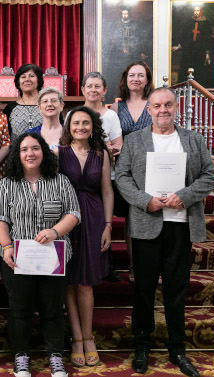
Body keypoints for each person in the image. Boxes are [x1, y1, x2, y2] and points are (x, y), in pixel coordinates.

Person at [115, 88, 214, 377]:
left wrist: (184, 196)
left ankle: (177, 349)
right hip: (147, 223)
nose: (163, 110)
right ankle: (141, 346)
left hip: (180, 225)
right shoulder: (134, 141)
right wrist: (144, 200)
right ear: (148, 110)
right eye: (157, 105)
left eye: (168, 104)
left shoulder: (193, 139)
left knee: (176, 290)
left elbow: (209, 176)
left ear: (176, 107)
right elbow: (121, 176)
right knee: (144, 289)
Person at [0, 132, 80, 377]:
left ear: (43, 151)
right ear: (17, 155)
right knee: (19, 309)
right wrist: (7, 247)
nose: (29, 154)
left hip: (54, 257)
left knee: (53, 308)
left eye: (35, 148)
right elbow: (0, 219)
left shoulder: (60, 181)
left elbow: (73, 213)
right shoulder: (7, 183)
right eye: (23, 149)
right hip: (17, 259)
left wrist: (54, 231)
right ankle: (21, 357)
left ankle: (55, 356)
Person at [57, 106, 114, 368]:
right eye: (75, 122)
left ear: (93, 127)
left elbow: (107, 191)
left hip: (92, 217)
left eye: (85, 123)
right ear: (68, 127)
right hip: (66, 217)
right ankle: (76, 339)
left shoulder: (100, 154)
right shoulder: (59, 153)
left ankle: (89, 337)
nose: (80, 126)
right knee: (68, 280)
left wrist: (108, 225)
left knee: (85, 282)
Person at [111, 61, 154, 283]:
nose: (136, 79)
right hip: (126, 169)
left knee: (151, 217)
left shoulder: (154, 104)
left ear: (147, 80)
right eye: (131, 75)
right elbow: (112, 138)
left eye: (141, 75)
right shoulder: (117, 108)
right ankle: (133, 265)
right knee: (130, 217)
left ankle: (151, 266)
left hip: (151, 167)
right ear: (125, 80)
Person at [80, 72, 123, 282]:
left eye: (98, 86)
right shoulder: (75, 115)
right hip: (82, 177)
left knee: (105, 218)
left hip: (105, 173)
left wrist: (107, 149)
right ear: (83, 90)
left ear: (104, 90)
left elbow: (119, 145)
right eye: (89, 86)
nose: (93, 90)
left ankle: (107, 263)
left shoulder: (111, 116)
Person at [172, 5, 214, 88]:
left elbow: (208, 40)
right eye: (195, 10)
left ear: (201, 11)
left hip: (200, 53)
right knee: (185, 72)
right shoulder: (188, 22)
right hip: (188, 53)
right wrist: (179, 46)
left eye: (198, 10)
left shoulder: (207, 24)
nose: (196, 12)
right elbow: (184, 36)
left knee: (199, 74)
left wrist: (207, 53)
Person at [3, 64, 44, 145]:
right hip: (16, 155)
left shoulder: (48, 105)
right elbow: (5, 138)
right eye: (23, 77)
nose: (27, 79)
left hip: (44, 154)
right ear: (18, 82)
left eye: (31, 76)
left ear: (39, 81)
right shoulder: (10, 108)